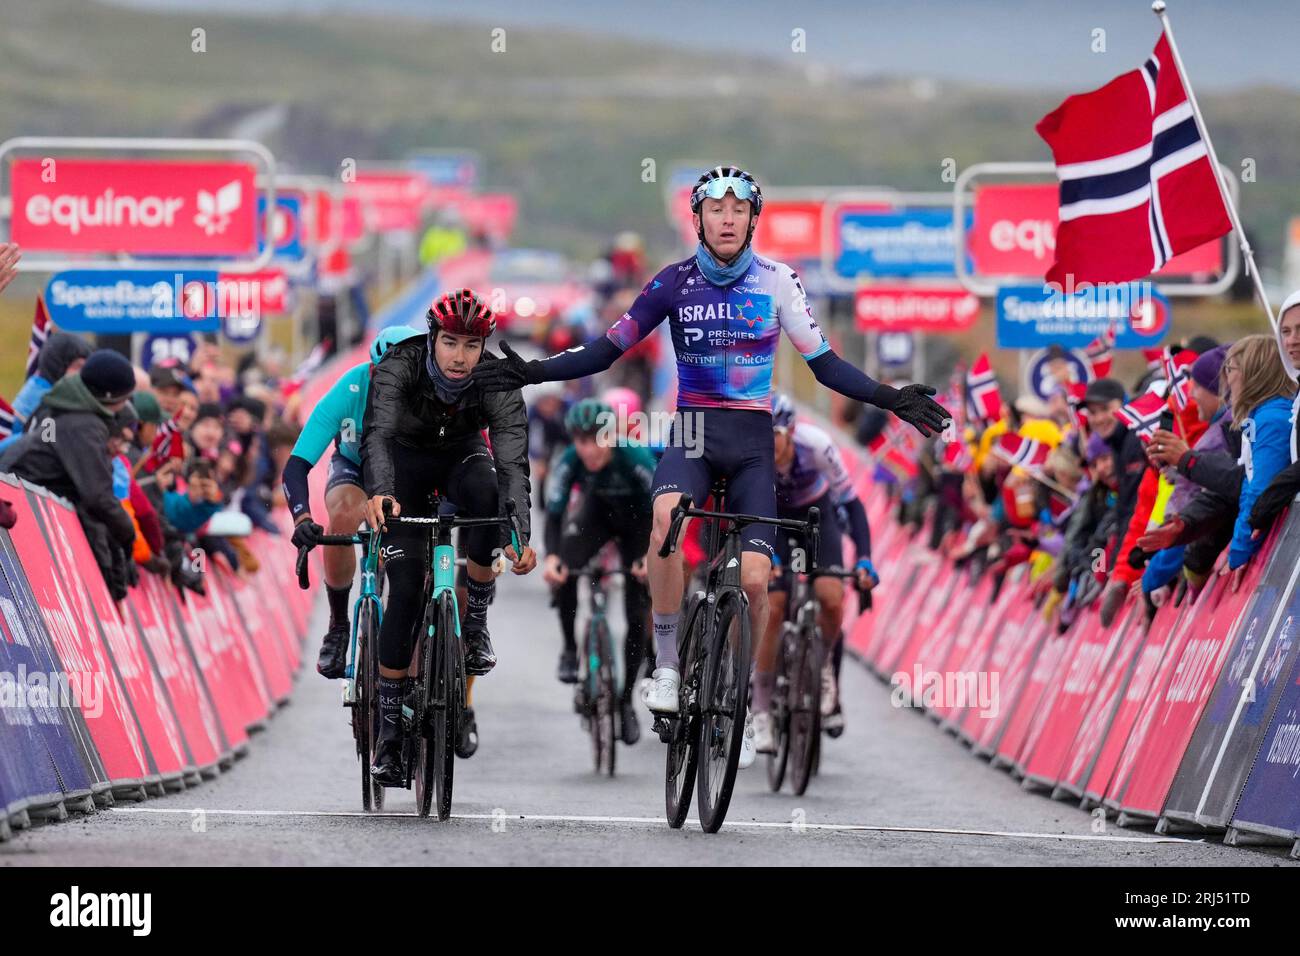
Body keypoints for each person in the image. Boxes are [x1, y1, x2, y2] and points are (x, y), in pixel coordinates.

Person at [471, 165, 948, 770]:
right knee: (666, 518)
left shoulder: (778, 282)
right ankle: (667, 666)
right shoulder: (672, 282)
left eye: (738, 210)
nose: (727, 220)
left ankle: (746, 704)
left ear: (753, 219)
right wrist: (533, 372)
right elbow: (606, 349)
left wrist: (892, 397)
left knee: (754, 579)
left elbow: (825, 366)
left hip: (751, 441)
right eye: (715, 210)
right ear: (698, 219)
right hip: (693, 432)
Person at [360, 289, 537, 786]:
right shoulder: (400, 364)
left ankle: (476, 622)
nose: (460, 357)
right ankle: (390, 735)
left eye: (472, 346)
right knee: (408, 588)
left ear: (485, 348)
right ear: (432, 339)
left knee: (485, 495)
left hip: (462, 459)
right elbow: (376, 435)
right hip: (403, 469)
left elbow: (512, 463)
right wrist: (382, 492)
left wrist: (519, 533)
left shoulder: (496, 379)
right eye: (451, 343)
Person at [283, 325, 424, 679]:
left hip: (407, 472)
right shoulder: (348, 390)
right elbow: (296, 467)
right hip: (355, 468)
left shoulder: (429, 390)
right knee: (343, 517)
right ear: (371, 370)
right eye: (382, 377)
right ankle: (339, 625)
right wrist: (302, 519)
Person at [755, 394, 876, 748]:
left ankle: (822, 670)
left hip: (815, 519)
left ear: (790, 431)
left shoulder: (817, 447)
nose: (769, 444)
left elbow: (852, 504)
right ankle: (760, 705)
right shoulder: (752, 453)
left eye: (775, 435)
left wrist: (865, 557)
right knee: (773, 606)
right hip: (772, 521)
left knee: (831, 597)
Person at [542, 398, 655, 744]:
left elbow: (661, 508)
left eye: (597, 440)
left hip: (640, 522)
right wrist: (552, 558)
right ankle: (570, 649)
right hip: (597, 515)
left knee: (638, 610)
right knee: (564, 567)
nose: (589, 449)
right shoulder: (571, 459)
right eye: (581, 441)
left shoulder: (634, 456)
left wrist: (650, 555)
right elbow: (555, 513)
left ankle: (624, 703)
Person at [0, 350, 139, 597]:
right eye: (125, 397)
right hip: (17, 504)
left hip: (20, 496)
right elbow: (97, 498)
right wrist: (128, 536)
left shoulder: (64, 407)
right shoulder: (85, 426)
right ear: (111, 397)